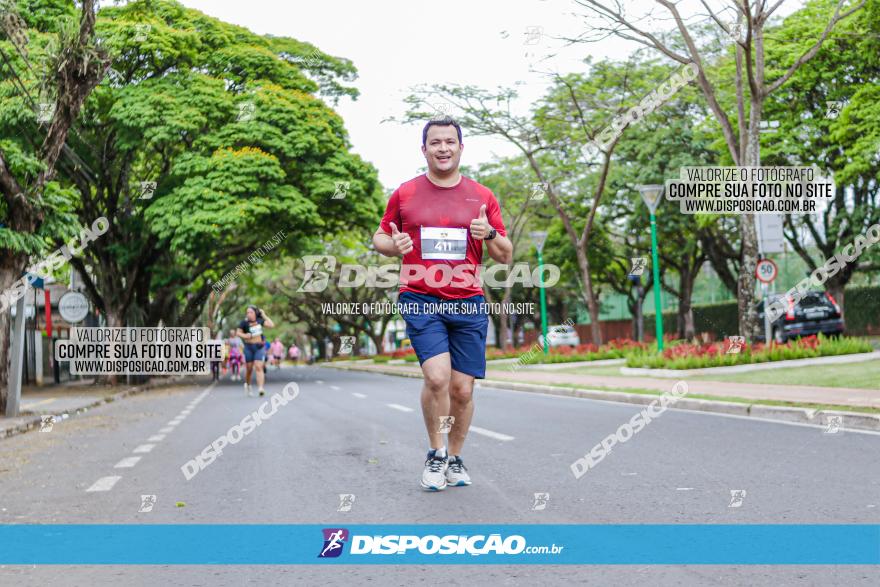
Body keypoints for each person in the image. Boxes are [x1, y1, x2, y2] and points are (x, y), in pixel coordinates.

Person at [372, 116, 512, 491]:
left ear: (461, 148)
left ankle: (455, 457)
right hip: (420, 296)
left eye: (450, 142)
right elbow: (380, 237)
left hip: (467, 300)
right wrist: (394, 245)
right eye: (435, 142)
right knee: (437, 378)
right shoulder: (405, 193)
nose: (443, 148)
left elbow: (505, 256)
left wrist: (490, 232)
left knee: (462, 390)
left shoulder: (482, 197)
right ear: (424, 150)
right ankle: (435, 455)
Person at [236, 306, 275, 396]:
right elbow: (238, 332)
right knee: (249, 369)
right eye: (247, 312)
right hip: (248, 347)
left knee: (258, 366)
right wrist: (245, 336)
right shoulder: (244, 322)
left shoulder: (260, 320)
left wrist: (264, 315)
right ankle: (248, 384)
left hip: (259, 347)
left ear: (255, 313)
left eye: (250, 312)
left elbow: (271, 325)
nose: (248, 314)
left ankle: (260, 388)